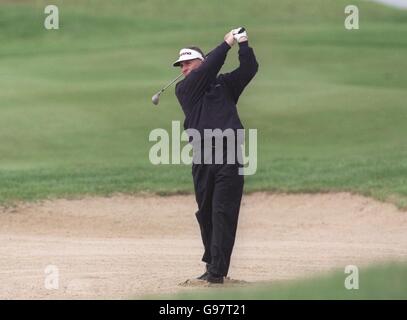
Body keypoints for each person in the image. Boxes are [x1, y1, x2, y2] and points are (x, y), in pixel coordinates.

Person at [173, 28, 259, 283]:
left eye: (188, 63)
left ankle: (216, 272)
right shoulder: (185, 89)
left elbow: (249, 68)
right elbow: (208, 69)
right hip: (202, 158)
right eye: (181, 65)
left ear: (201, 62)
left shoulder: (225, 85)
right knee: (207, 214)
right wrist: (225, 44)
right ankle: (212, 264)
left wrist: (242, 43)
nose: (183, 68)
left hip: (229, 155)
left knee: (223, 212)